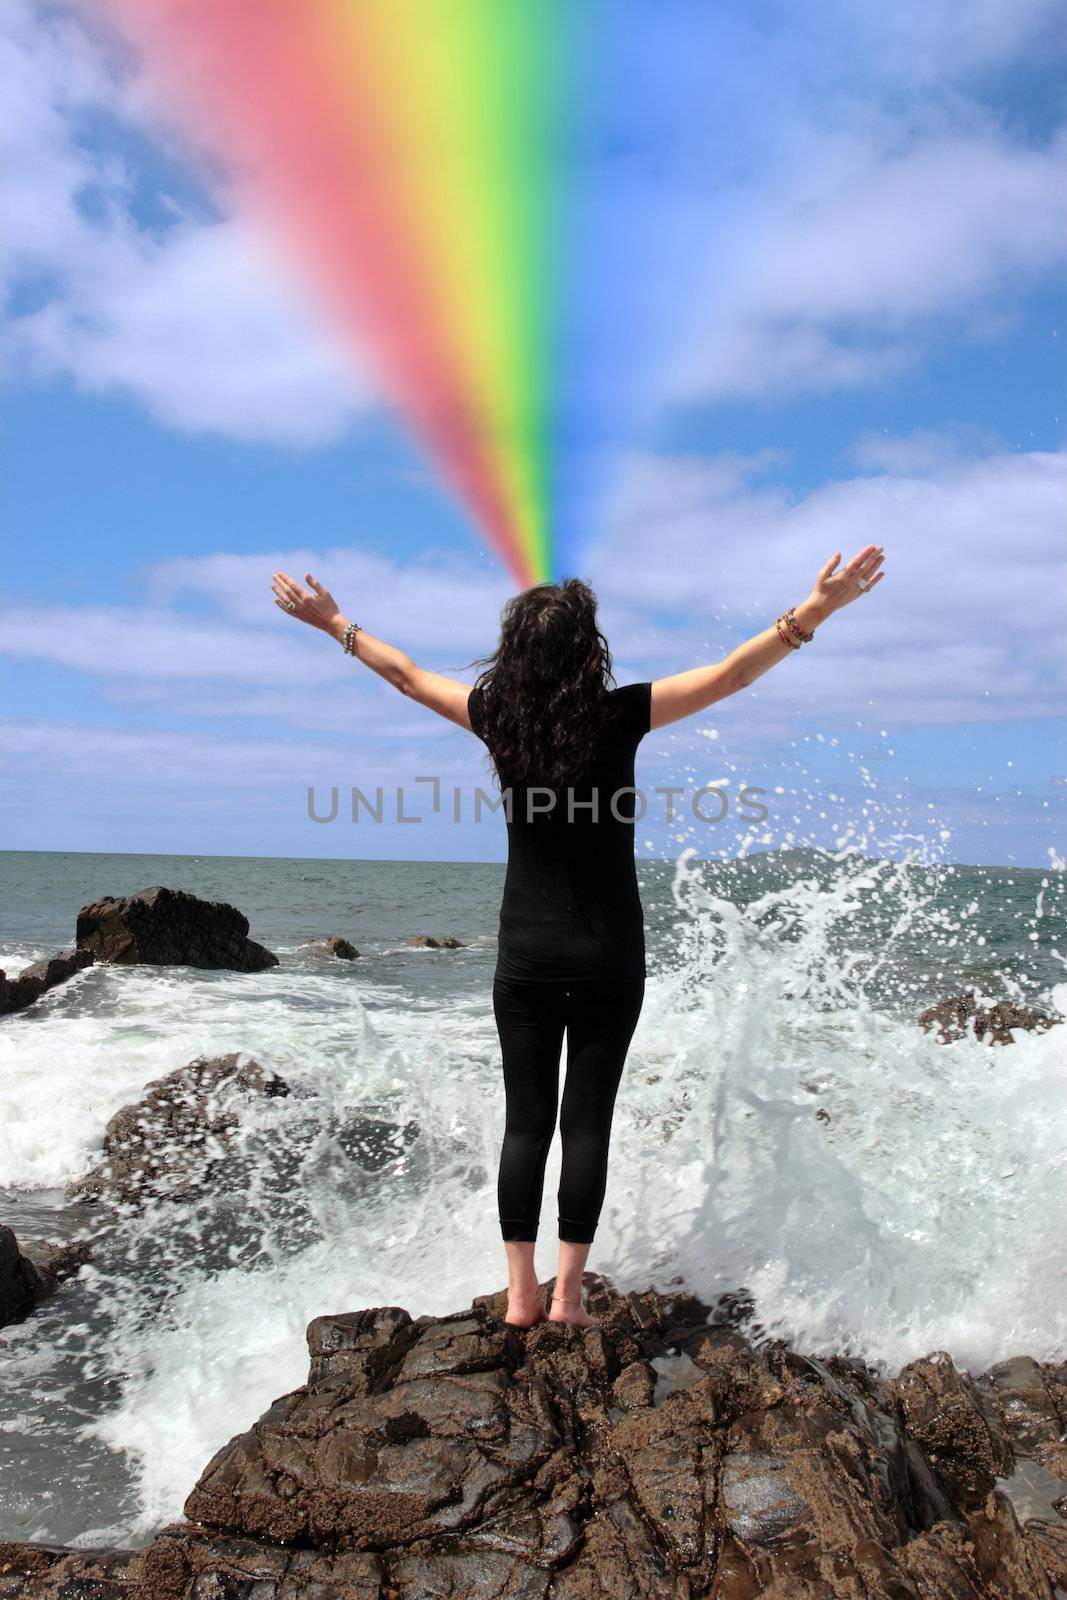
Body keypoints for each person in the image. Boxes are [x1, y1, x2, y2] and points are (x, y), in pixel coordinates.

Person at [271, 543, 886, 1328]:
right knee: (585, 1121)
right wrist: (815, 611)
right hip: (607, 955)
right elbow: (733, 674)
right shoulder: (619, 714)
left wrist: (333, 624)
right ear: (587, 649)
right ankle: (568, 1297)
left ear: (515, 652)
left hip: (524, 956)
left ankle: (520, 1294)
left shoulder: (495, 717)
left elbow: (404, 674)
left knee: (526, 1122)